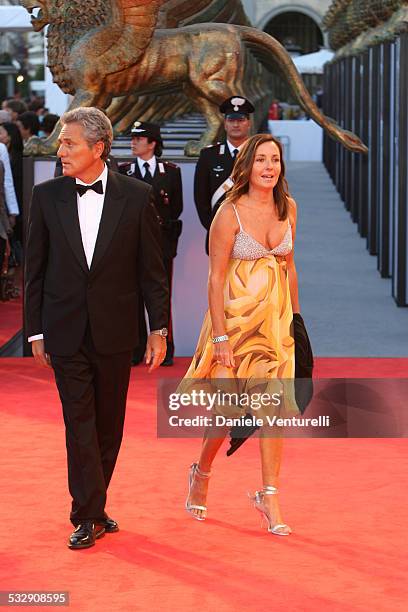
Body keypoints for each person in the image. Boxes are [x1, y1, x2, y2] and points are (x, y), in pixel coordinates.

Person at [24, 107, 169, 549]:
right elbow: (36, 269)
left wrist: (158, 327)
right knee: (79, 422)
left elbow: (152, 270)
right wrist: (35, 331)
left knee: (110, 425)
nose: (60, 150)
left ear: (98, 148)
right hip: (64, 330)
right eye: (61, 143)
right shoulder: (47, 196)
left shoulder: (138, 195)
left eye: (69, 143)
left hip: (115, 329)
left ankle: (96, 502)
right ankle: (86, 513)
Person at [183, 134, 300, 535]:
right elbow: (215, 280)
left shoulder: (289, 209)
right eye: (262, 160)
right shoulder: (228, 214)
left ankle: (269, 494)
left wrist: (297, 324)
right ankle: (202, 471)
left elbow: (289, 267)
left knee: (273, 408)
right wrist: (219, 338)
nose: (269, 167)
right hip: (232, 325)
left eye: (275, 160)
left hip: (274, 326)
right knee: (227, 412)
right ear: (247, 166)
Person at [120, 121, 183, 366]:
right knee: (132, 298)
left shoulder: (171, 171)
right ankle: (135, 349)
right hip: (131, 247)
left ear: (152, 143)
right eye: (132, 138)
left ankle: (165, 348)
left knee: (161, 297)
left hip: (161, 246)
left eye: (139, 138)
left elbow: (176, 208)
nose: (133, 142)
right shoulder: (124, 171)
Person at [194, 96, 254, 254]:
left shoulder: (258, 155)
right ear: (225, 124)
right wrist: (215, 227)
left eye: (241, 120)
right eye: (231, 120)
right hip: (218, 234)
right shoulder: (209, 155)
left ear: (249, 123)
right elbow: (201, 198)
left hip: (253, 235)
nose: (236, 124)